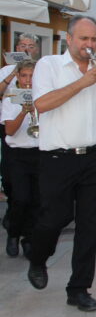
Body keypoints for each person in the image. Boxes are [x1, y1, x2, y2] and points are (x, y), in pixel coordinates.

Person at [27, 16, 96, 312]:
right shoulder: (49, 66)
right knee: (53, 218)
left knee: (90, 226)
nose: (89, 45)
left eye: (94, 39)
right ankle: (37, 257)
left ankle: (79, 288)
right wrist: (85, 82)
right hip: (57, 157)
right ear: (68, 39)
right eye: (84, 39)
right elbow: (43, 104)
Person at [3, 60, 39, 258]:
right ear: (17, 77)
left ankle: (29, 238)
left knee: (37, 200)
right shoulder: (10, 99)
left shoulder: (43, 98)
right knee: (20, 198)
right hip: (18, 155)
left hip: (39, 153)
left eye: (32, 76)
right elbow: (9, 129)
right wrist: (24, 111)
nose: (28, 81)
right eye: (24, 76)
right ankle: (14, 234)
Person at [0, 34, 40, 210]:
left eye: (30, 46)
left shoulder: (41, 69)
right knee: (10, 176)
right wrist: (13, 73)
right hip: (10, 119)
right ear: (16, 48)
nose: (26, 49)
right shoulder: (5, 70)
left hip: (33, 129)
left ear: (36, 50)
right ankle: (14, 206)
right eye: (23, 45)